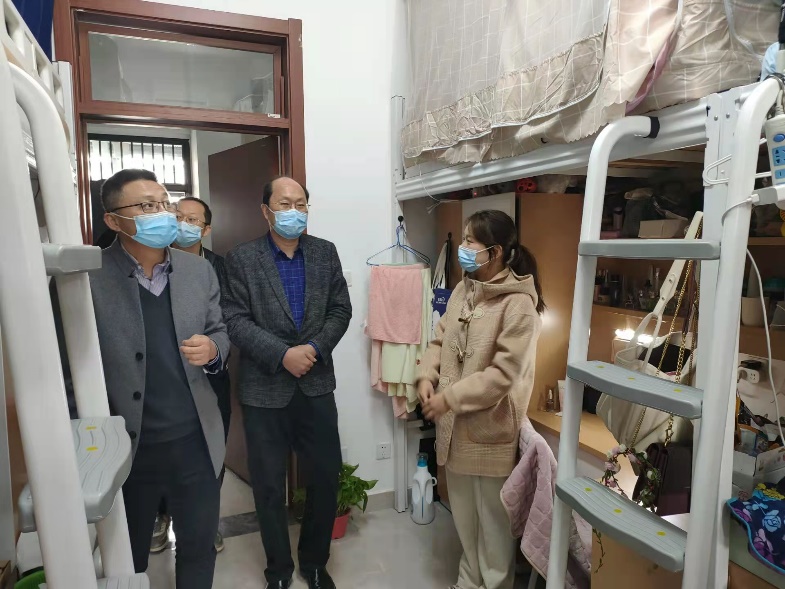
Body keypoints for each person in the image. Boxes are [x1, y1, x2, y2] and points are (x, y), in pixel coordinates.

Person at [55, 169, 229, 589]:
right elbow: (67, 374)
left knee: (198, 549)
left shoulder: (198, 271)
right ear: (113, 219)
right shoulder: (84, 279)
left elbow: (220, 331)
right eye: (147, 206)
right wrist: (85, 444)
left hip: (196, 442)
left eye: (165, 204)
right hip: (125, 449)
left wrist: (213, 349)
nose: (163, 214)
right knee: (126, 560)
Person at [222, 176, 352, 589]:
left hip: (316, 384)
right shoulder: (242, 258)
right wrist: (282, 354)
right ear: (266, 210)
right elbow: (234, 320)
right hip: (264, 389)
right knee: (267, 485)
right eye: (284, 203)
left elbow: (341, 309)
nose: (294, 211)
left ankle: (313, 564)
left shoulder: (325, 252)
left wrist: (312, 348)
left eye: (301, 203)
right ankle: (278, 570)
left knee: (325, 478)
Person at [417, 210, 544, 589]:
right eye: (464, 239)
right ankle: (468, 582)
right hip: (453, 432)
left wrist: (449, 398)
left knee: (493, 528)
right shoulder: (463, 290)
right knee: (465, 522)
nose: (463, 247)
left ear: (496, 251)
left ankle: (494, 584)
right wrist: (426, 375)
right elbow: (439, 339)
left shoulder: (519, 306)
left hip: (491, 433)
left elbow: (502, 376)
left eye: (471, 241)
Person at [147, 196, 230, 554]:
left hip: (210, 374)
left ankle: (205, 521)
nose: (183, 224)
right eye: (178, 216)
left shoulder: (218, 267)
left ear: (206, 229)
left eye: (193, 220)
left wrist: (213, 347)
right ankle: (160, 515)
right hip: (164, 377)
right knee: (163, 452)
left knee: (211, 449)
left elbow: (229, 319)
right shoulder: (152, 260)